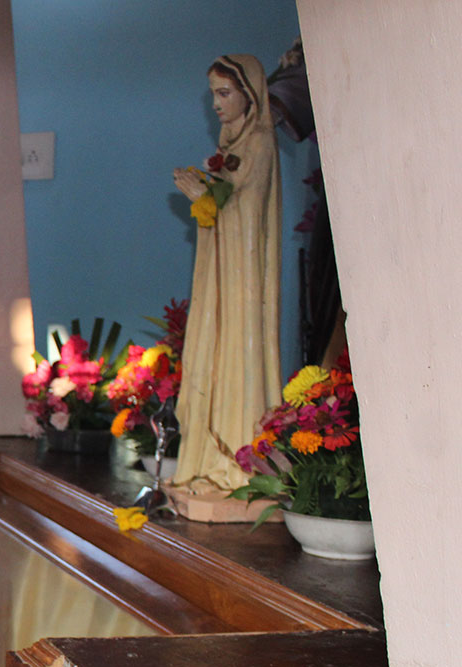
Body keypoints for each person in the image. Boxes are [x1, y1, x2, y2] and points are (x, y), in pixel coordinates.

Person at [170, 54, 282, 495]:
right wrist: (206, 199)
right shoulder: (229, 148)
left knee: (237, 358)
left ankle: (236, 464)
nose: (217, 104)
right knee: (209, 359)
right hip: (221, 281)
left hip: (242, 285)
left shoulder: (258, 145)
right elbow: (224, 211)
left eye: (224, 93)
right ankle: (208, 460)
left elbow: (249, 221)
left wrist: (207, 198)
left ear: (249, 95)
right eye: (213, 94)